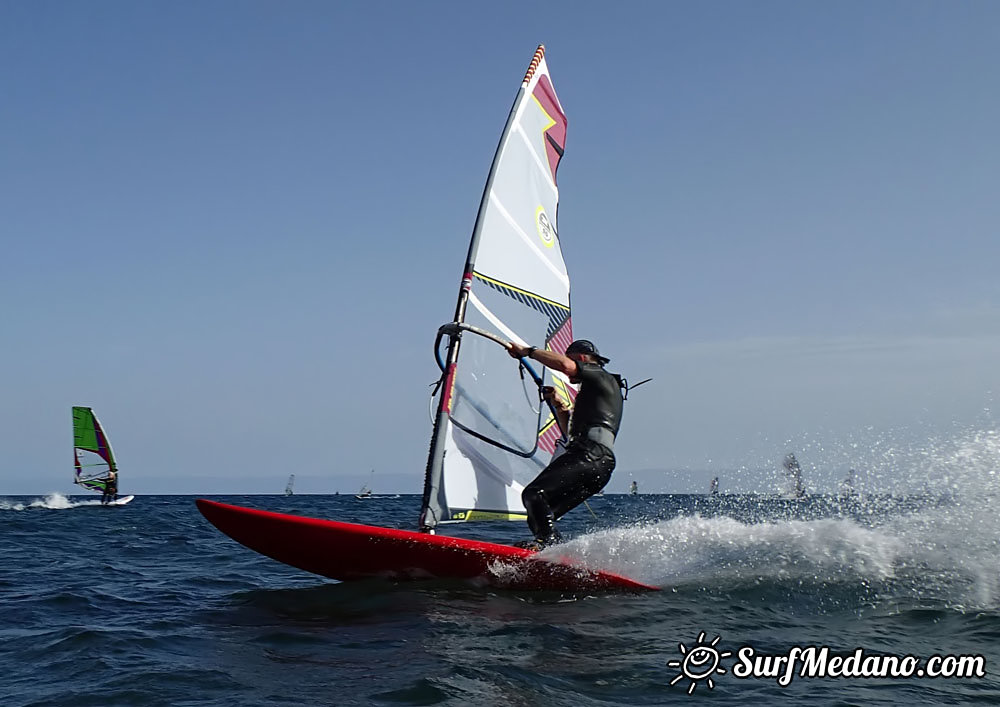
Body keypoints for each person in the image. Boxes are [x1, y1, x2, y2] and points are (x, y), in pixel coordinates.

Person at [506, 338, 623, 548]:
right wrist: (559, 406)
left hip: (589, 454)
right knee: (542, 511)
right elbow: (570, 431)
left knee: (534, 494)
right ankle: (551, 552)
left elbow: (565, 365)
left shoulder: (598, 375)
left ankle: (546, 542)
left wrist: (528, 351)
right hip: (600, 464)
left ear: (581, 358)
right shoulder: (597, 390)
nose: (570, 376)